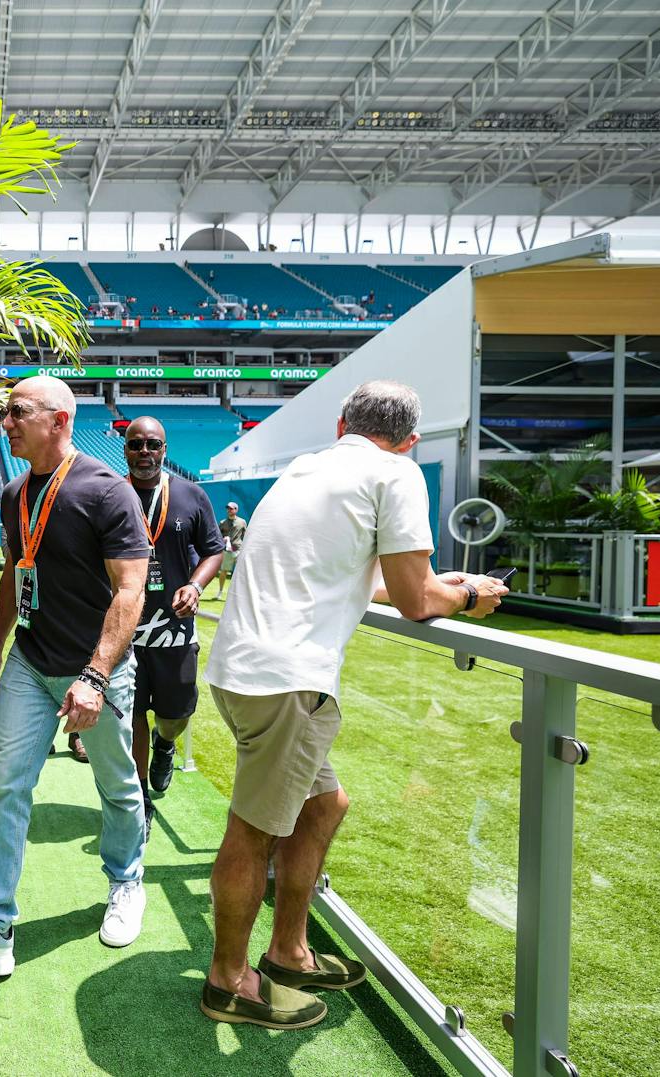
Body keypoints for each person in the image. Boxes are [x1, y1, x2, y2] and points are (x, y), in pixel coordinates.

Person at [200, 380, 508, 1031]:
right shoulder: (396, 472)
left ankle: (287, 950)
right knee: (251, 833)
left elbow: (374, 579)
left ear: (343, 421)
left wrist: (434, 585)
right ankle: (228, 979)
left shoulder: (309, 467)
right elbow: (418, 598)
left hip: (243, 670)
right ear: (411, 442)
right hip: (288, 683)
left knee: (324, 803)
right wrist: (471, 593)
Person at [0, 376, 149, 980]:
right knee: (6, 788)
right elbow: (13, 573)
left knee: (118, 786)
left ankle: (127, 881)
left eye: (18, 411)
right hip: (29, 660)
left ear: (60, 420)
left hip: (94, 670)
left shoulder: (107, 492)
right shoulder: (14, 492)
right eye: (6, 412)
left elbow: (130, 591)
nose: (7, 421)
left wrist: (96, 677)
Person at [121, 418, 224, 830]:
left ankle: (166, 744)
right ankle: (140, 795)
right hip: (124, 629)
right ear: (125, 449)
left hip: (175, 629)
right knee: (130, 716)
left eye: (153, 445)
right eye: (136, 445)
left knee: (174, 715)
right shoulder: (112, 494)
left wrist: (196, 586)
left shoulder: (191, 495)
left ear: (165, 449)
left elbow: (214, 551)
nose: (144, 452)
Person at [215, 502, 245, 599]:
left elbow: (245, 535)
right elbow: (218, 536)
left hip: (239, 550)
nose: (229, 510)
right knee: (224, 572)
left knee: (240, 573)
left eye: (231, 508)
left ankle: (240, 594)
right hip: (227, 551)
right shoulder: (223, 522)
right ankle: (220, 591)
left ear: (236, 510)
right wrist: (223, 539)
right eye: (228, 508)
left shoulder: (242, 522)